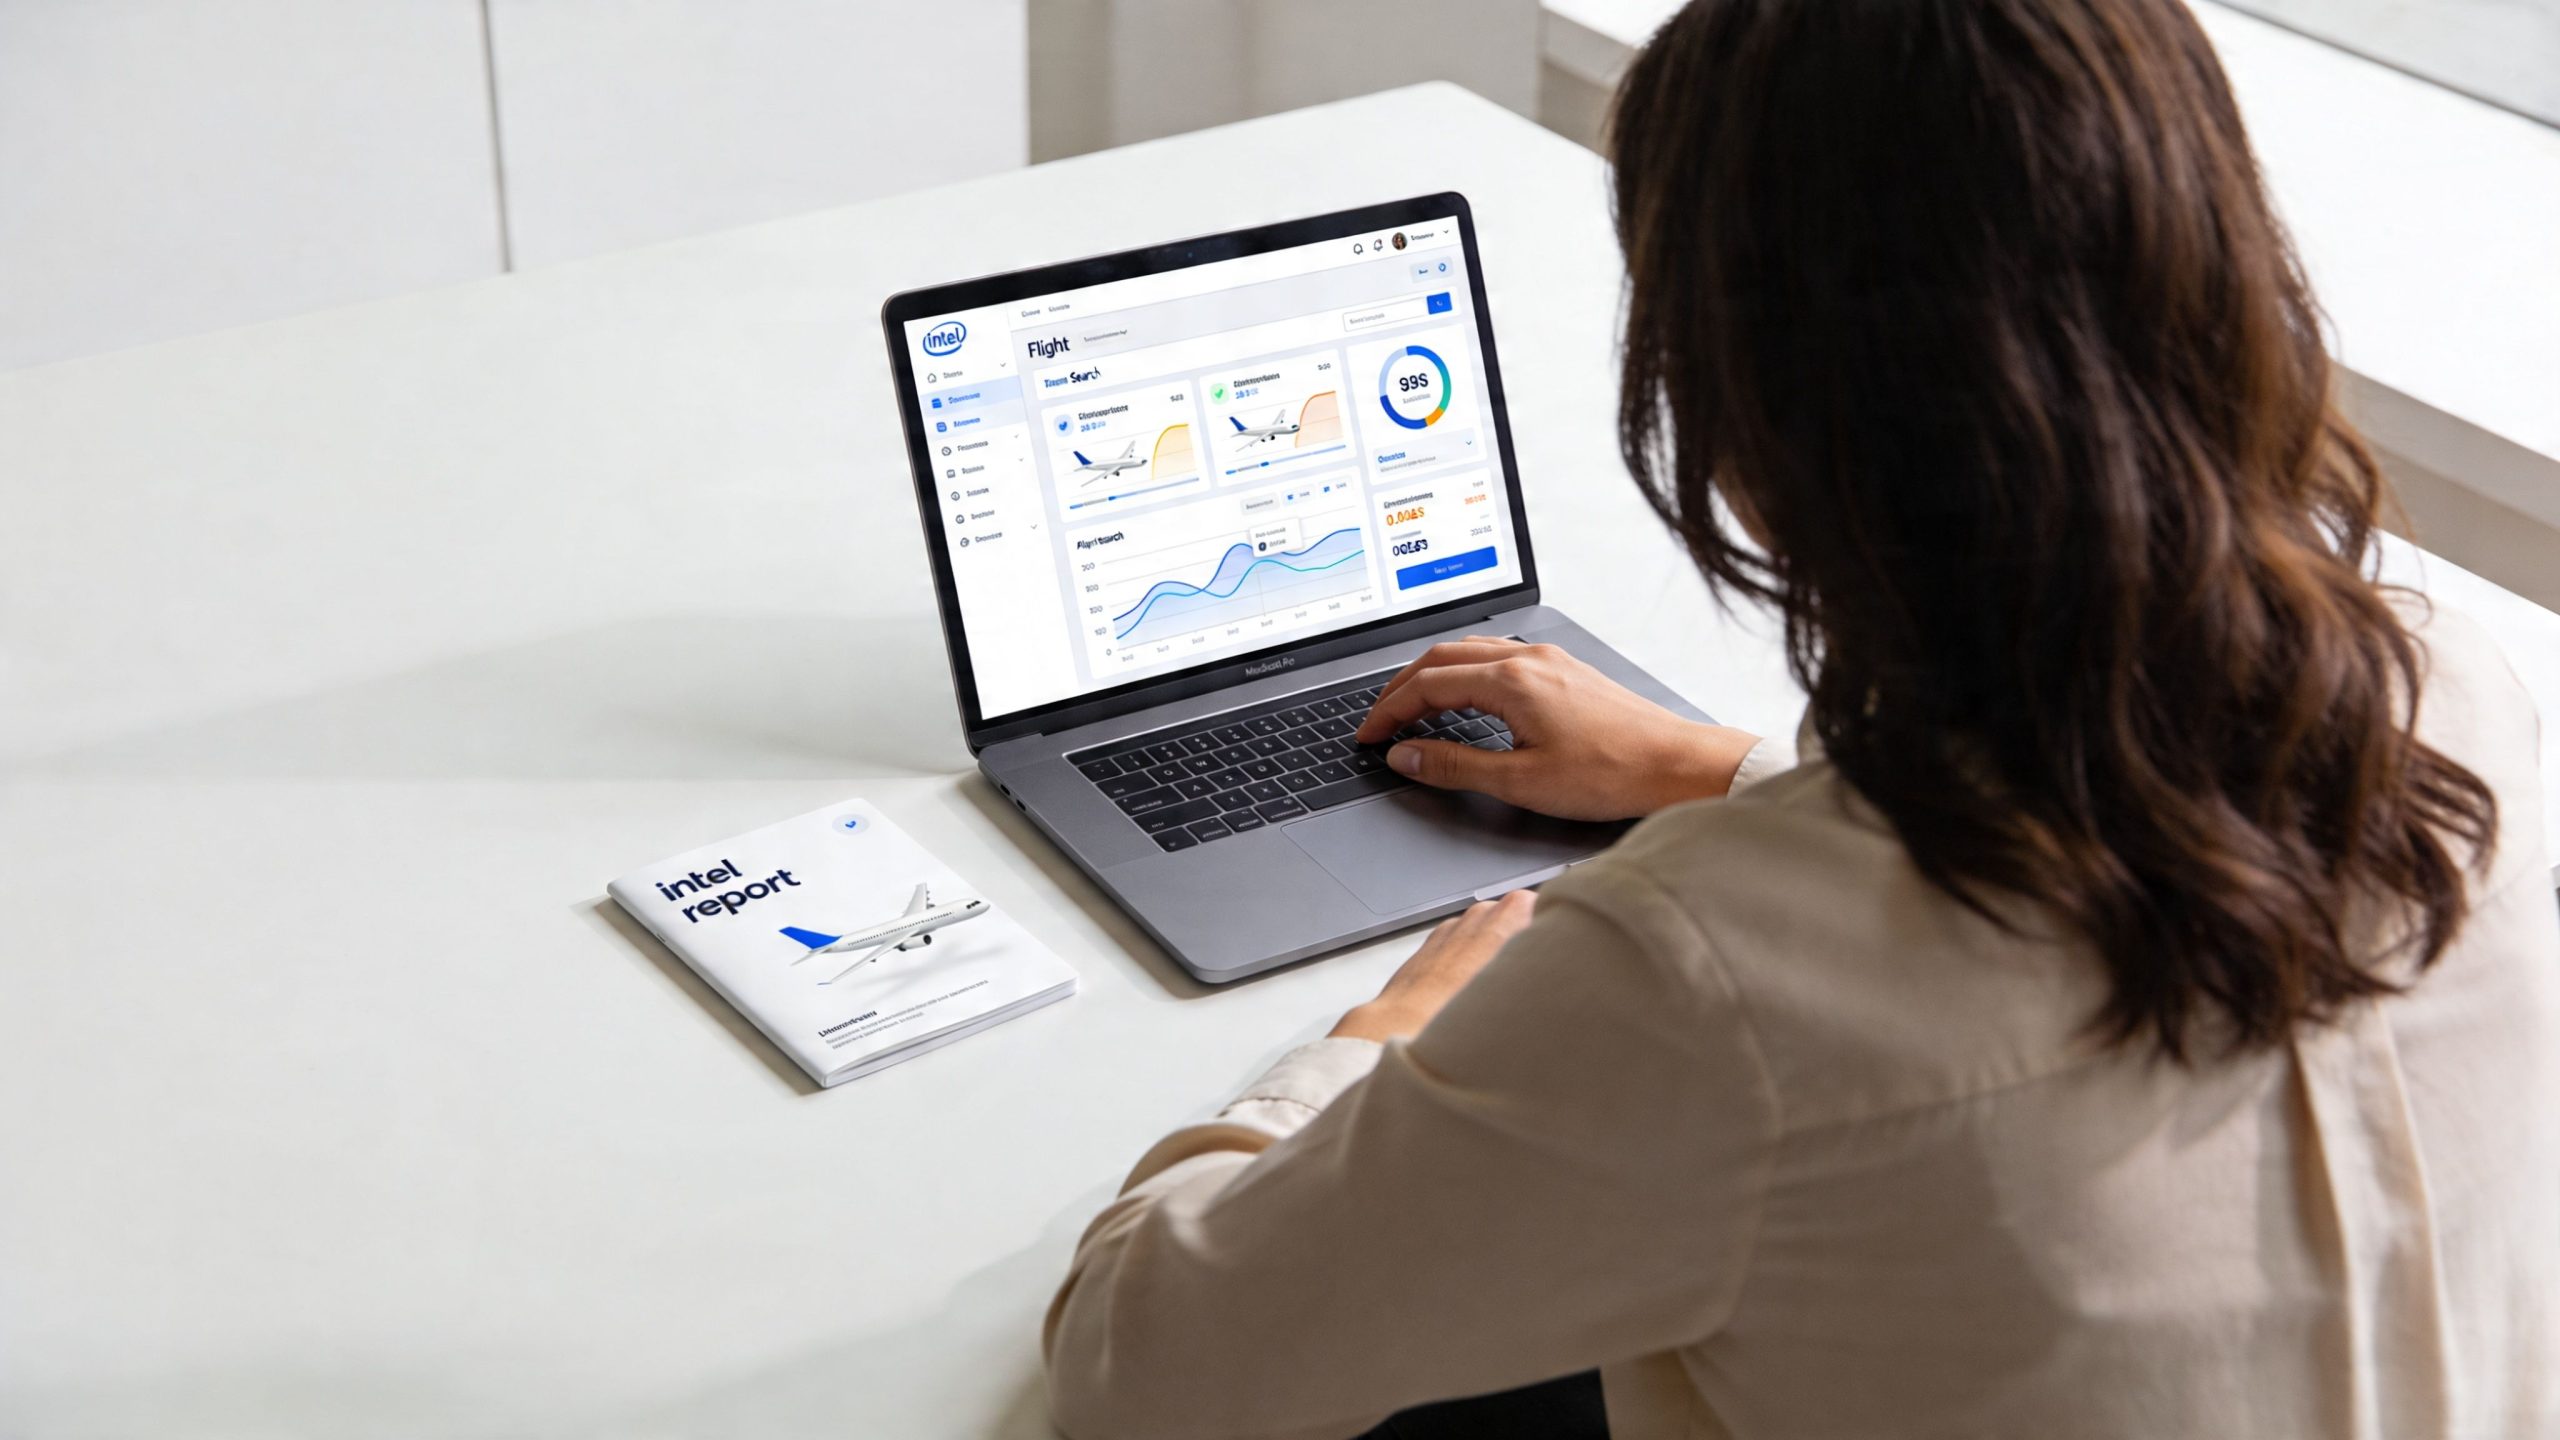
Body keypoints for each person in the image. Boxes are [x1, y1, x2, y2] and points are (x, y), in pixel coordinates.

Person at [1041, 1, 2559, 1436]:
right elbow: (2033, 931)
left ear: (1751, 425)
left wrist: (1385, 1039)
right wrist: (1722, 775)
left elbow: (1145, 1369)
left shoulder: (1705, 988)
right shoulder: (2456, 704)